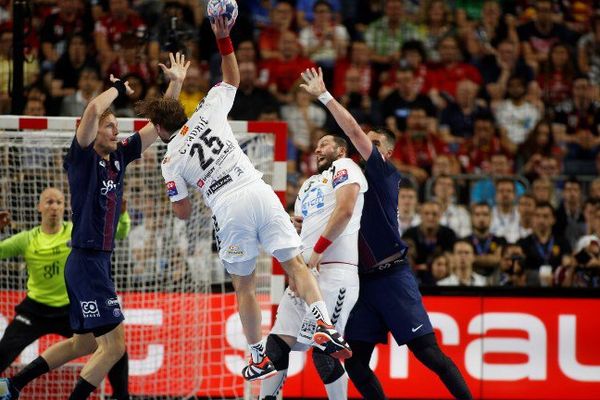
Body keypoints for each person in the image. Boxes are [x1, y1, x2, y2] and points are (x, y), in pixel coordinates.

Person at [135, 17, 351, 382]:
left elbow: (183, 212)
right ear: (184, 111)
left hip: (228, 208)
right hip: (257, 189)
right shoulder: (207, 110)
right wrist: (223, 38)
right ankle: (323, 325)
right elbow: (232, 77)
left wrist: (183, 193)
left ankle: (257, 357)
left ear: (159, 129)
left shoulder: (170, 160)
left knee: (245, 285)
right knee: (295, 265)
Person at [0, 52, 189, 400]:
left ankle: (12, 385)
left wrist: (175, 84)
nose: (117, 131)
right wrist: (116, 88)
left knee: (84, 343)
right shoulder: (82, 158)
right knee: (114, 346)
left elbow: (154, 126)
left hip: (96, 262)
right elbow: (90, 112)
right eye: (110, 126)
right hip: (87, 261)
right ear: (91, 132)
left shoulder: (119, 156)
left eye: (117, 126)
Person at [300, 66, 472, 399]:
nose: (364, 146)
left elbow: (351, 130)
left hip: (393, 277)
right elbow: (329, 216)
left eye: (373, 143)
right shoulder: (348, 181)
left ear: (387, 153)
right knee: (356, 363)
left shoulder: (382, 172)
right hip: (362, 283)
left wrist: (324, 95)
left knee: (429, 354)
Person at [260, 134, 367, 400]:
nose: (317, 149)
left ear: (340, 149)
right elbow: (303, 227)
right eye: (316, 145)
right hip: (306, 273)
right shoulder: (308, 184)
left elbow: (344, 211)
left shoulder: (346, 167)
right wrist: (296, 266)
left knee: (325, 353)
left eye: (324, 144)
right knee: (275, 344)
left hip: (336, 272)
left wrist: (316, 252)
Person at [0, 188, 130, 399]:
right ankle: (12, 385)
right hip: (36, 309)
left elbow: (119, 233)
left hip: (71, 307)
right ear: (39, 207)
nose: (54, 207)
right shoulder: (27, 238)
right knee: (4, 351)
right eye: (49, 202)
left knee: (108, 347)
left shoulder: (76, 232)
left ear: (65, 207)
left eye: (59, 202)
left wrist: (122, 214)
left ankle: (121, 394)